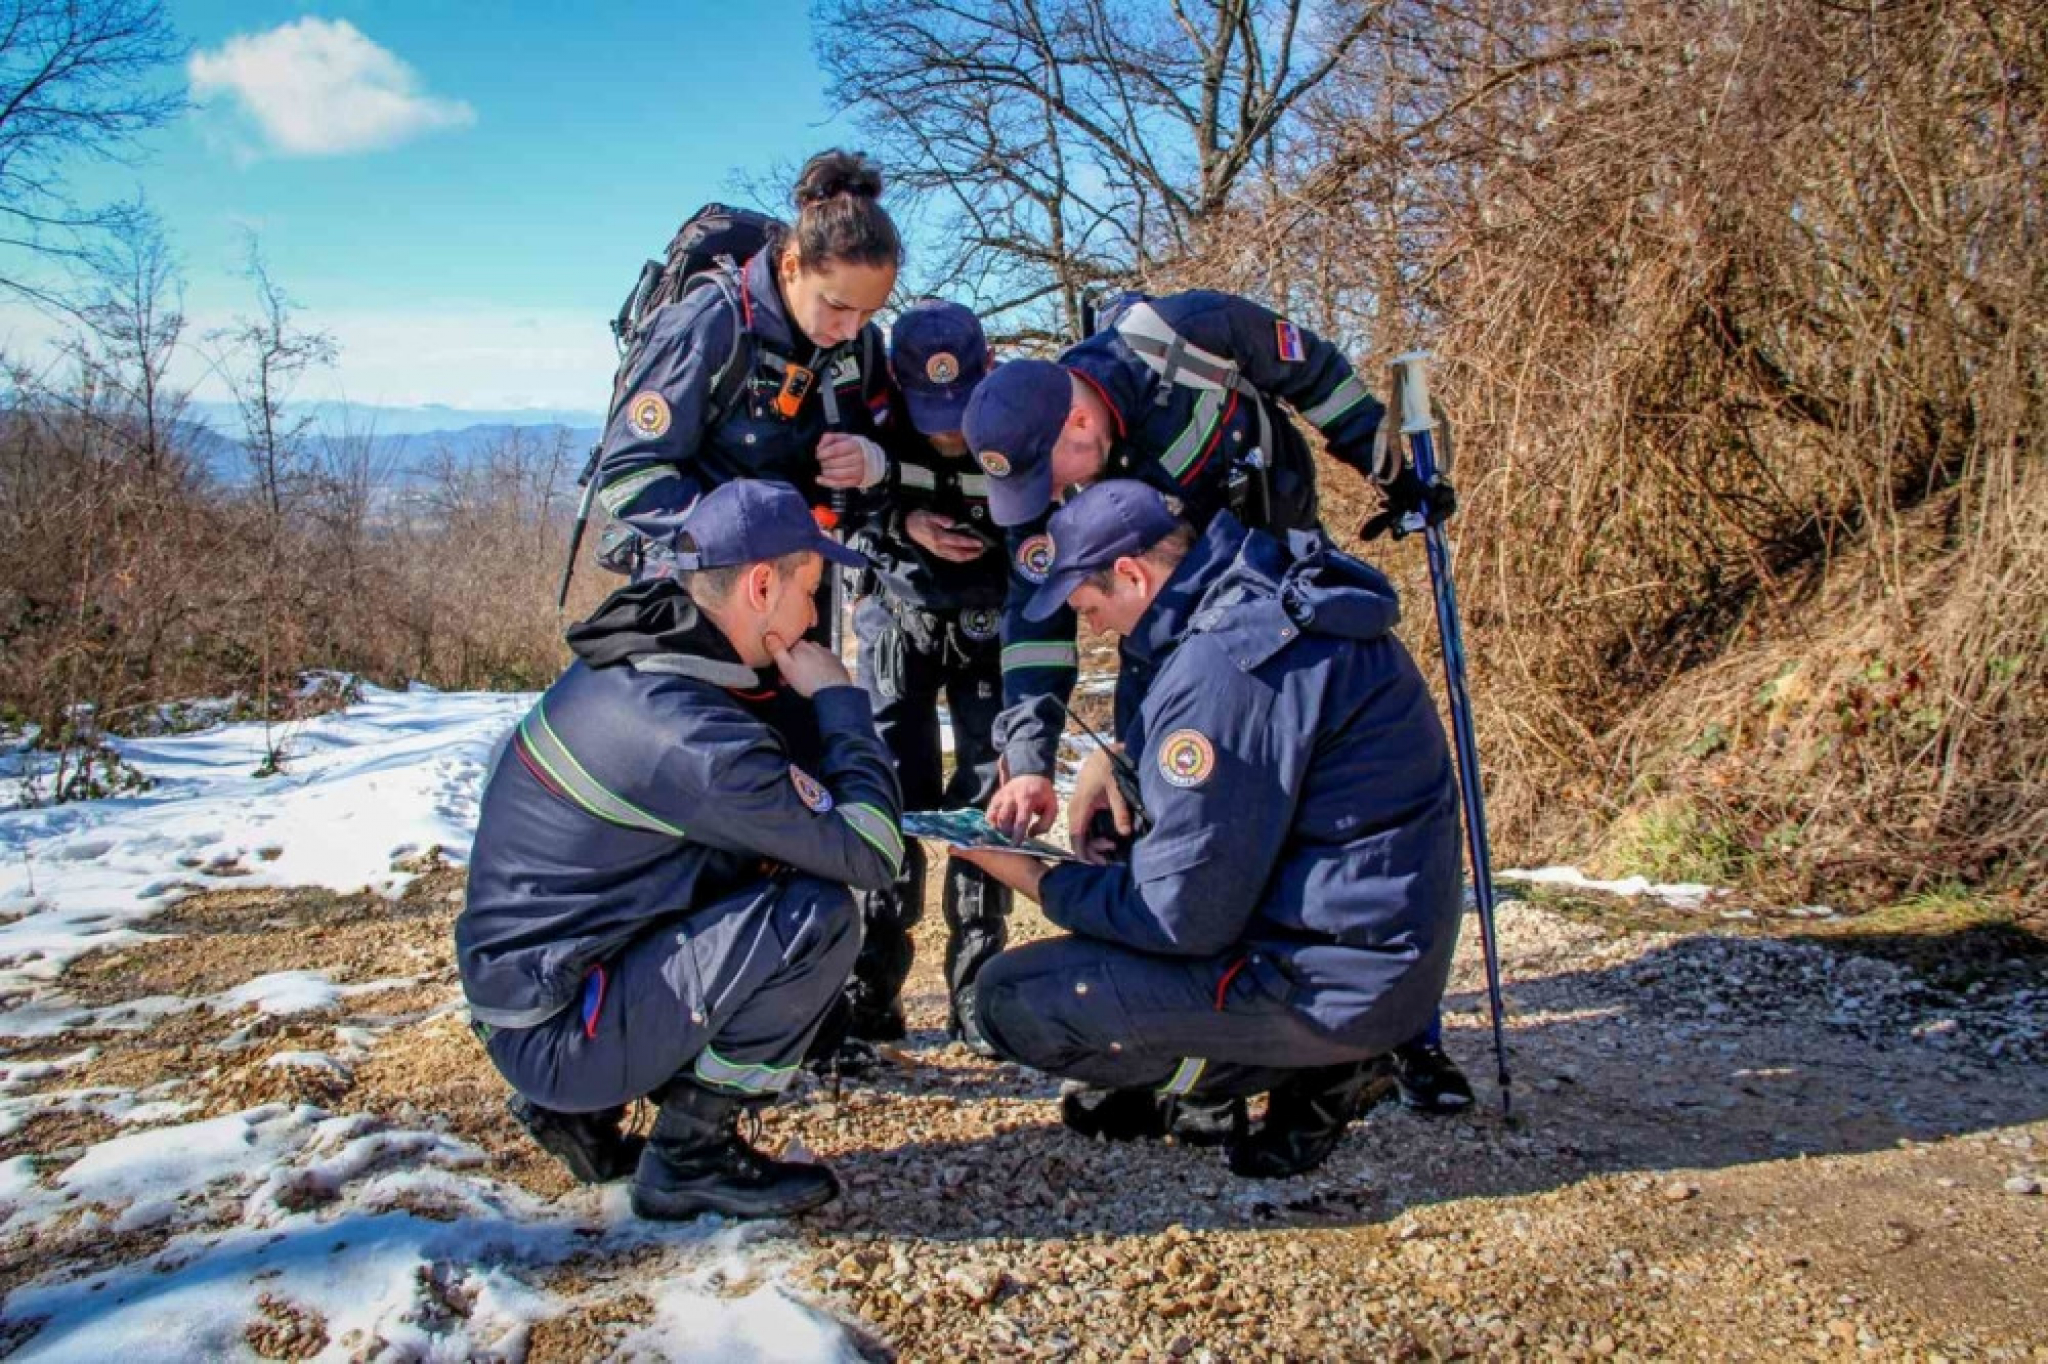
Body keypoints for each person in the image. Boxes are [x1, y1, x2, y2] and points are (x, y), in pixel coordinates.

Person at [962, 295, 1474, 1113]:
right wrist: (1037, 756)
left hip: (1276, 602)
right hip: (1167, 639)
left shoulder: (1175, 337)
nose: (1046, 497)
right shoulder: (1053, 489)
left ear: (1079, 428)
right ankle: (1170, 1034)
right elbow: (1037, 620)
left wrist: (1386, 464)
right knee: (1163, 820)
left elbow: (1309, 370)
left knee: (1339, 814)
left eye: (1047, 477)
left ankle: (1394, 1038)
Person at [953, 481, 1464, 1178]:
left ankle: (1314, 1070)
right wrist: (1127, 763)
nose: (1096, 628)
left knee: (1011, 998)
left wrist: (1039, 878)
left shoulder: (1224, 664)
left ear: (1131, 574)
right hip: (1374, 954)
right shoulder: (1270, 600)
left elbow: (1181, 920)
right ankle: (1313, 1059)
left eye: (1090, 606)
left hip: (1330, 983)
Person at [455, 480, 906, 1221]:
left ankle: (581, 1111)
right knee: (817, 916)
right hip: (560, 1028)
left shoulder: (648, 649)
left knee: (765, 867)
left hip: (533, 991)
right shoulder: (692, 736)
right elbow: (870, 853)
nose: (813, 620)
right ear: (762, 585)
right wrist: (840, 702)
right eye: (810, 593)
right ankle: (691, 1157)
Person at [589, 149, 902, 581]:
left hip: (800, 583)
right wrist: (746, 533)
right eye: (837, 306)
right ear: (791, 267)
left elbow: (894, 466)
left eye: (868, 313)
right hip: (698, 582)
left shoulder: (859, 346)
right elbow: (628, 476)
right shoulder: (710, 325)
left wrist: (873, 466)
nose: (851, 329)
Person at [834, 299, 1013, 1053]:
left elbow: (1051, 509)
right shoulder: (864, 415)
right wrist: (900, 522)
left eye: (958, 408)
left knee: (982, 801)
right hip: (895, 615)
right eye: (929, 410)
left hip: (990, 619)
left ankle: (976, 992)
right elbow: (831, 513)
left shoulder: (1014, 415)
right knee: (889, 800)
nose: (945, 428)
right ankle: (872, 990)